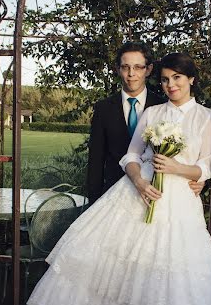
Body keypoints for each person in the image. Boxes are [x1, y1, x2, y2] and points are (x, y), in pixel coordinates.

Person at [18, 52, 211, 305]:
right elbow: (132, 155)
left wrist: (181, 169)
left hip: (177, 204)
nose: (170, 85)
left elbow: (208, 165)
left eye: (177, 78)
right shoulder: (152, 113)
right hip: (135, 194)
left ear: (192, 80)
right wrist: (138, 180)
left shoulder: (207, 117)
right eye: (165, 79)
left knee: (165, 280)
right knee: (115, 271)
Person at [87, 41, 203, 203]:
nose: (131, 73)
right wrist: (94, 201)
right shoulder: (103, 108)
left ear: (148, 69)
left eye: (138, 67)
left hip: (157, 194)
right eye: (125, 67)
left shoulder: (163, 107)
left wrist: (201, 180)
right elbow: (95, 160)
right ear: (118, 69)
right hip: (114, 195)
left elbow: (195, 152)